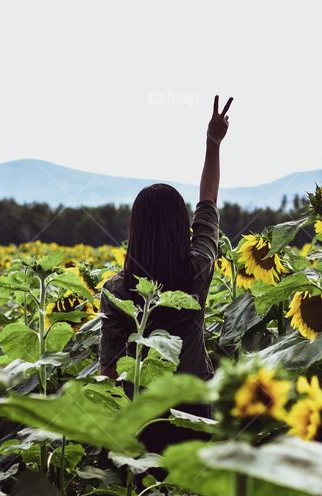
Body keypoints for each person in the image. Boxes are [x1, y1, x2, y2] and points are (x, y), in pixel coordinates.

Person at [98, 95, 232, 451]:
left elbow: (109, 368)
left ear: (135, 230)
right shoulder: (196, 270)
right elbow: (208, 202)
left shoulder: (116, 289)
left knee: (145, 492)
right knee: (193, 489)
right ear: (180, 227)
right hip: (193, 402)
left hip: (140, 409)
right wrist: (213, 145)